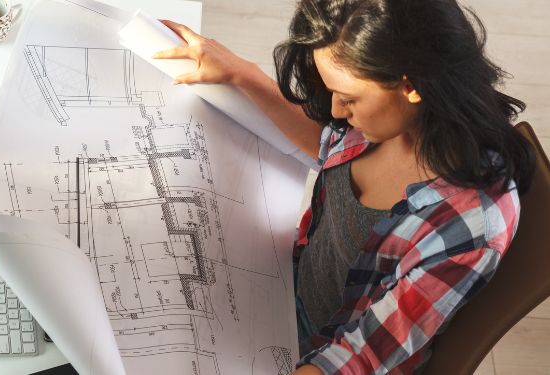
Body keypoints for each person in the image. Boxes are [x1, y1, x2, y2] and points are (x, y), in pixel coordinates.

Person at [153, 0, 535, 373]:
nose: (336, 112)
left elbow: (365, 355)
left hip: (330, 350)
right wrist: (240, 74)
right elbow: (323, 140)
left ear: (410, 86)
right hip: (289, 288)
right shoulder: (386, 122)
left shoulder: (472, 223)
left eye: (348, 98)